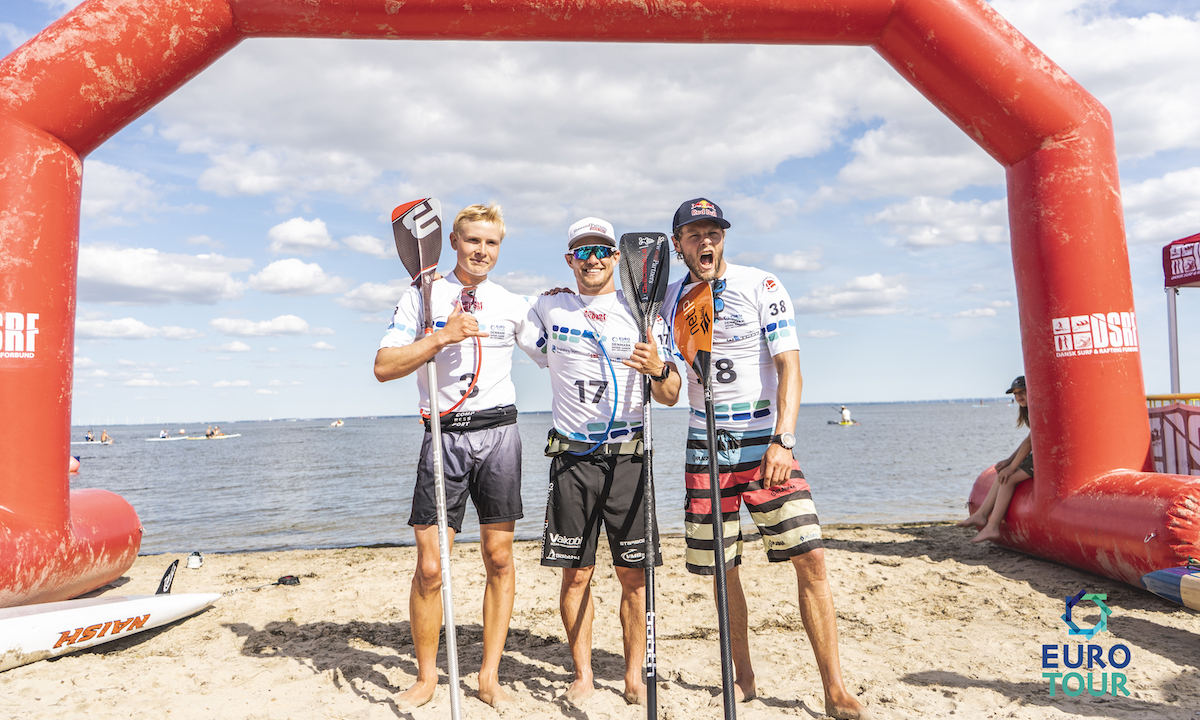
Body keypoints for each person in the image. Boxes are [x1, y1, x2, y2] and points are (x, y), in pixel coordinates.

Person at [660, 198, 868, 719]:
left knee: (811, 557)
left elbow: (789, 367)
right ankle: (743, 675)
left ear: (723, 238)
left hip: (764, 441)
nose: (705, 241)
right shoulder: (667, 300)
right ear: (678, 243)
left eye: (714, 232)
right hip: (704, 441)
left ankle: (835, 689)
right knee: (722, 567)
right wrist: (651, 368)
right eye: (694, 234)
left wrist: (785, 438)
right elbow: (667, 392)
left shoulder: (762, 285)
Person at [374, 202, 543, 708]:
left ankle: (488, 675)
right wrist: (441, 336)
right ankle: (427, 678)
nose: (482, 251)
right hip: (443, 437)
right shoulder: (422, 295)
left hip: (500, 437)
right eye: (473, 241)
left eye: (492, 243)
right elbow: (383, 366)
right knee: (430, 567)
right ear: (454, 241)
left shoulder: (513, 304)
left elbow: (555, 353)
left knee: (499, 558)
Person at [529, 217, 681, 705]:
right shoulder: (548, 307)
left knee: (634, 574)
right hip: (573, 459)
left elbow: (673, 393)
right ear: (569, 259)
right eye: (581, 251)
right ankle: (583, 674)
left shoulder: (645, 314)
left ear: (617, 258)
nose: (592, 259)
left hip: (630, 459)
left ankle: (634, 674)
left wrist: (658, 368)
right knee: (576, 573)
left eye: (601, 250)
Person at [957, 376, 1032, 543]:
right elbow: (1028, 440)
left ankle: (992, 526)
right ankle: (982, 515)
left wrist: (1012, 467)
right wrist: (1009, 461)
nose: (1019, 396)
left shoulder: (1037, 409)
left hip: (1049, 456)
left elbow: (1030, 442)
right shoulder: (1028, 411)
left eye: (1023, 392)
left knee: (1008, 477)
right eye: (1016, 393)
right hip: (1037, 454)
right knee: (1002, 473)